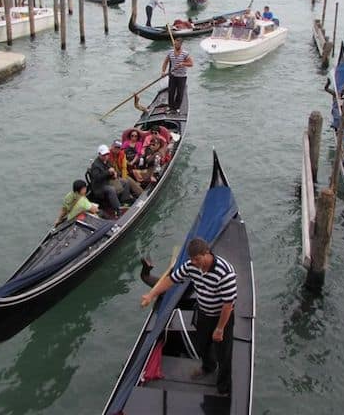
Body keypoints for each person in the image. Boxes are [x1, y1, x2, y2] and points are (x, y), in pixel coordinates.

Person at [141, 237, 237, 396]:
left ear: (206, 253)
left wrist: (220, 329)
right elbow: (171, 280)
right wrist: (151, 295)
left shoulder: (225, 273)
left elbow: (228, 305)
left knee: (224, 353)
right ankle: (208, 367)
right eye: (192, 260)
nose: (195, 263)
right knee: (202, 344)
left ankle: (224, 386)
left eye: (198, 259)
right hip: (203, 312)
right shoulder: (191, 265)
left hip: (221, 317)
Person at [89, 144, 130, 217]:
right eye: (104, 155)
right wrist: (108, 172)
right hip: (99, 187)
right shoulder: (95, 165)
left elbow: (112, 169)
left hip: (108, 181)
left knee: (125, 182)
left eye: (107, 154)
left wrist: (114, 173)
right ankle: (118, 209)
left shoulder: (107, 161)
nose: (106, 156)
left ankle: (124, 202)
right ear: (99, 154)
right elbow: (97, 178)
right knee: (111, 190)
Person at [162, 38, 193, 113]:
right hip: (173, 75)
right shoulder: (170, 52)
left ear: (181, 44)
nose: (175, 45)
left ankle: (177, 107)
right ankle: (171, 107)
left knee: (180, 93)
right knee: (171, 92)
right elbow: (165, 62)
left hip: (182, 77)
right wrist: (163, 71)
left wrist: (183, 63)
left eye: (177, 44)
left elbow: (191, 64)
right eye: (175, 44)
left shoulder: (185, 53)